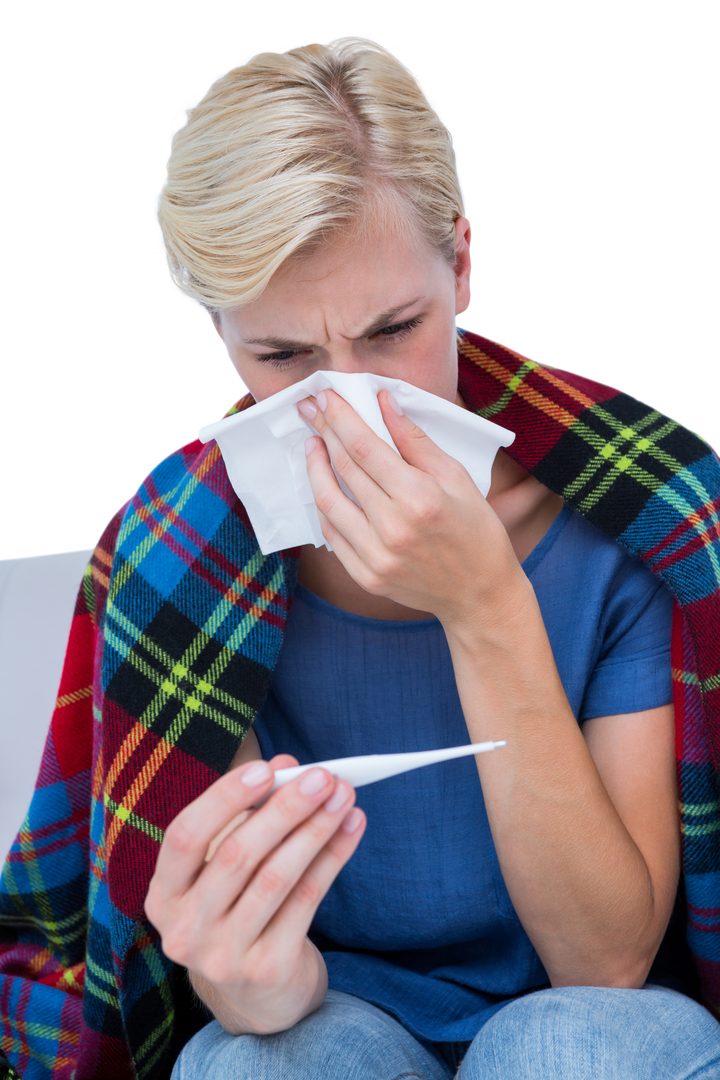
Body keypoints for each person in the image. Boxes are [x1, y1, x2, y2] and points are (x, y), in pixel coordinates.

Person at [1, 30, 718, 1080]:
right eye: (282, 356)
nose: (350, 405)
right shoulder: (181, 557)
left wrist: (484, 605)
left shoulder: (630, 517)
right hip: (339, 1013)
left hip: (595, 1019)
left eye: (393, 331)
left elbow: (603, 963)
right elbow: (272, 1000)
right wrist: (245, 975)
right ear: (215, 329)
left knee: (563, 1048)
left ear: (463, 263)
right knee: (262, 1063)